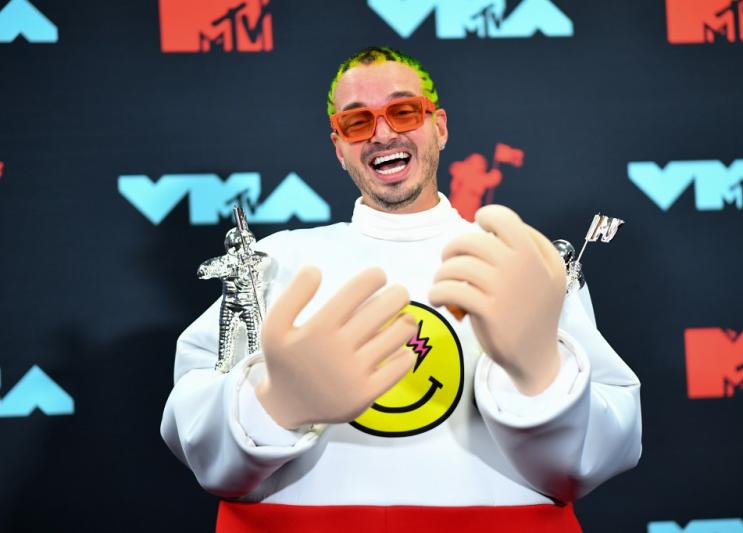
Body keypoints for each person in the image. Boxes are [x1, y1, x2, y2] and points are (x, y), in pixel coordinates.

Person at [160, 46, 642, 533]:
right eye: (357, 122)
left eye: (403, 111)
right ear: (338, 147)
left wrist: (543, 375)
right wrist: (273, 404)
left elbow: (602, 452)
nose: (382, 133)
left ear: (440, 127)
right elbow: (196, 440)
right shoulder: (273, 263)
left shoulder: (521, 265)